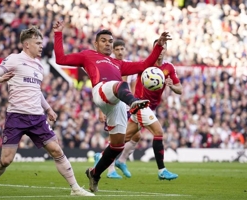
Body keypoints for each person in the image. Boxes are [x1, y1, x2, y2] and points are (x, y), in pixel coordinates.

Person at [0, 27, 94, 197]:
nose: (41, 46)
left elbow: (36, 91)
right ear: (27, 44)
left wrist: (48, 108)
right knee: (6, 160)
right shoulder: (14, 59)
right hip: (16, 116)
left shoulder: (39, 65)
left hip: (37, 117)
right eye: (38, 43)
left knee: (57, 150)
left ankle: (75, 188)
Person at [53, 20, 171, 192]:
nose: (107, 44)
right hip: (102, 90)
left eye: (110, 41)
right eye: (103, 41)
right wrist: (58, 34)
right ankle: (133, 103)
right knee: (120, 85)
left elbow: (145, 65)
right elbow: (60, 58)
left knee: (118, 145)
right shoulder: (88, 55)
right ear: (96, 43)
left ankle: (94, 173)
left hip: (116, 102)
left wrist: (159, 46)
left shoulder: (118, 64)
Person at [115, 39, 183, 180]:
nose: (160, 50)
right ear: (154, 50)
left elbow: (180, 89)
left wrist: (171, 86)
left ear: (165, 50)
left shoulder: (169, 67)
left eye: (163, 48)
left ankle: (101, 158)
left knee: (124, 137)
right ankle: (162, 170)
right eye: (157, 48)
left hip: (151, 107)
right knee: (158, 132)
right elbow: (129, 79)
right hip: (140, 104)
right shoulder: (145, 64)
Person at [94, 39, 137, 179]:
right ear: (113, 51)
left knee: (135, 135)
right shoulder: (109, 65)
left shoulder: (130, 66)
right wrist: (101, 110)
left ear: (125, 50)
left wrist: (134, 105)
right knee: (117, 138)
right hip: (112, 105)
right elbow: (102, 88)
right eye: (116, 49)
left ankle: (118, 160)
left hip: (127, 106)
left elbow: (132, 88)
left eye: (121, 49)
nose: (119, 52)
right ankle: (110, 167)